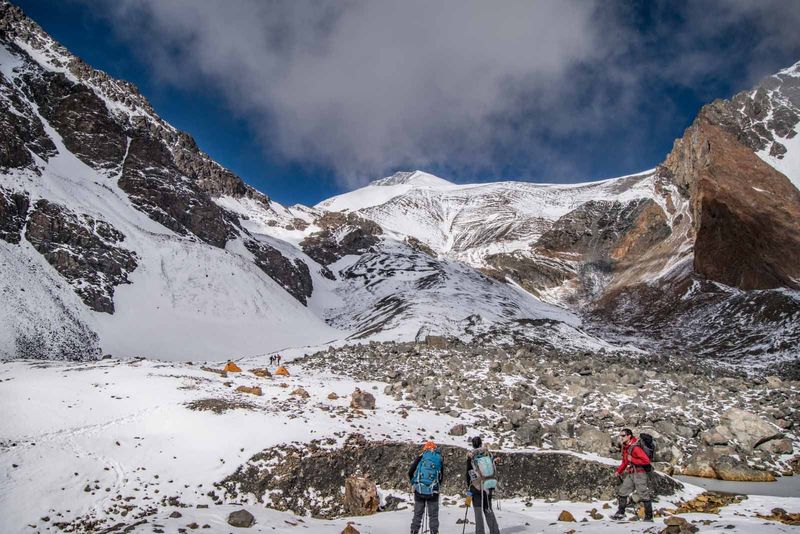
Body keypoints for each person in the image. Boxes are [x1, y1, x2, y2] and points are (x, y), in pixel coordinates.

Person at [611, 428, 653, 522]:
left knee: (643, 495)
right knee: (623, 491)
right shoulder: (625, 447)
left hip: (640, 473)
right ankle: (620, 513)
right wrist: (619, 471)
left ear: (629, 436)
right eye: (620, 435)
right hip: (631, 473)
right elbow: (625, 462)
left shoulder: (636, 447)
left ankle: (649, 517)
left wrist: (632, 460)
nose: (621, 437)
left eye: (623, 435)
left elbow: (646, 461)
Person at [466, 436, 500, 534]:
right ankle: (495, 532)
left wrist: (468, 486)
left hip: (476, 487)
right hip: (488, 486)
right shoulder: (488, 453)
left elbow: (468, 472)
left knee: (478, 512)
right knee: (488, 509)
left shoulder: (471, 455)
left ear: (473, 444)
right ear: (481, 443)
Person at [408, 440, 443, 534]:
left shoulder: (421, 457)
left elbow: (410, 472)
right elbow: (441, 476)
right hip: (433, 491)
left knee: (417, 514)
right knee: (433, 516)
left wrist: (413, 482)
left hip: (419, 489)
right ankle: (434, 531)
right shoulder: (438, 458)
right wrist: (436, 486)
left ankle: (414, 531)